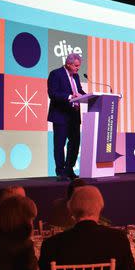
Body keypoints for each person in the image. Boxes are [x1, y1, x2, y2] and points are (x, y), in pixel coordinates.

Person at [47, 52, 86, 181]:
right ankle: (60, 172)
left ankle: (69, 169)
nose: (78, 68)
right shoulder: (55, 74)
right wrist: (70, 97)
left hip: (74, 116)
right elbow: (53, 93)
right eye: (76, 66)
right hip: (61, 115)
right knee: (60, 144)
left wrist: (90, 96)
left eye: (79, 66)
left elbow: (79, 91)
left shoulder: (76, 76)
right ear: (68, 64)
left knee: (75, 143)